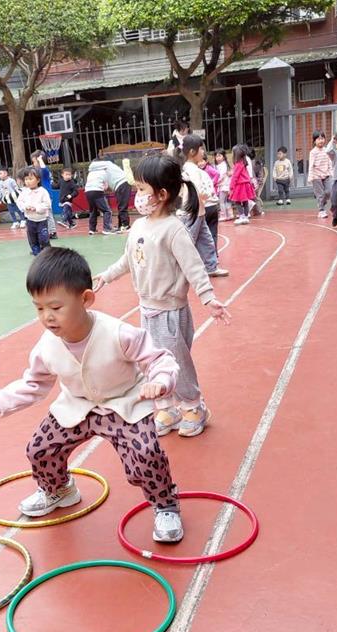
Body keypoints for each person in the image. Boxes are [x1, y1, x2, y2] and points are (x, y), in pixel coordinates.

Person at [0, 247, 187, 542]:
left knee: (146, 455)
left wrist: (161, 380)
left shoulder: (118, 333)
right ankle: (59, 490)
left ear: (86, 299)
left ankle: (165, 504)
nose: (47, 317)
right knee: (40, 449)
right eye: (39, 308)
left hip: (124, 404)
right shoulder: (46, 346)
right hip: (76, 406)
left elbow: (159, 359)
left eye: (55, 307)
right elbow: (32, 385)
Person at [94, 154, 232, 438]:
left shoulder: (173, 229)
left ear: (162, 194)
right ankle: (166, 408)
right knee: (151, 363)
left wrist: (208, 298)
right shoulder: (139, 226)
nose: (137, 195)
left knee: (176, 364)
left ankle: (194, 406)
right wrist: (106, 276)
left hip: (170, 313)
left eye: (142, 189)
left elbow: (194, 266)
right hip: (147, 309)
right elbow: (128, 259)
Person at [181, 135, 228, 277]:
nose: (203, 152)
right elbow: (197, 191)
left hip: (199, 212)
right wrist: (208, 193)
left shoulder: (193, 169)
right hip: (193, 212)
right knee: (188, 241)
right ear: (192, 152)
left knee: (207, 241)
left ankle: (210, 267)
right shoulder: (191, 170)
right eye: (201, 149)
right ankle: (179, 269)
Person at [88, 156, 132, 232]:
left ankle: (125, 225)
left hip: (123, 184)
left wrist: (93, 165)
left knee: (122, 206)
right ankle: (121, 225)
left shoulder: (107, 164)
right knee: (121, 206)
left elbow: (91, 166)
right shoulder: (107, 169)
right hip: (120, 186)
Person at [18, 166, 52, 256]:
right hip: (30, 220)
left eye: (30, 179)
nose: (28, 181)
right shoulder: (24, 192)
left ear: (38, 180)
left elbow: (47, 204)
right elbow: (19, 202)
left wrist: (36, 208)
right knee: (32, 238)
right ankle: (36, 252)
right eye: (26, 179)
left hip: (41, 220)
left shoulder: (43, 191)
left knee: (43, 238)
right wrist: (25, 207)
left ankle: (47, 252)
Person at [30, 151, 59, 239]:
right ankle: (44, 231)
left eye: (35, 161)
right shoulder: (36, 172)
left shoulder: (44, 171)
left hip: (46, 196)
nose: (34, 163)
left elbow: (44, 169)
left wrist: (40, 160)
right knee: (41, 214)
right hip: (38, 196)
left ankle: (52, 232)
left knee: (48, 214)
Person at [84, 163, 115, 235]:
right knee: (107, 211)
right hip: (97, 191)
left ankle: (92, 229)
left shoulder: (91, 173)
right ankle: (107, 229)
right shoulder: (104, 172)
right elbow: (105, 187)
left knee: (93, 210)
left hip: (88, 192)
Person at [307, 131, 332, 218]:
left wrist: (331, 172)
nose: (321, 140)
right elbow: (311, 165)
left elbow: (329, 162)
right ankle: (321, 210)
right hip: (316, 176)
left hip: (326, 175)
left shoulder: (326, 150)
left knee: (329, 192)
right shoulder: (313, 152)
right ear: (314, 141)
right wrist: (310, 176)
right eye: (318, 139)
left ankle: (322, 201)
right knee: (320, 194)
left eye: (322, 138)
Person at [229, 144, 255, 225]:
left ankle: (241, 216)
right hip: (246, 184)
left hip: (240, 185)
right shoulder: (243, 163)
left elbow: (235, 176)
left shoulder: (238, 165)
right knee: (245, 202)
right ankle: (246, 217)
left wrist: (231, 186)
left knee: (237, 201)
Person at [214, 149, 231, 220]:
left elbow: (222, 176)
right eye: (216, 156)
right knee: (225, 201)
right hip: (224, 185)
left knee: (221, 201)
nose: (218, 157)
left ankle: (223, 215)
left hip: (223, 186)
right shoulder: (222, 164)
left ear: (223, 157)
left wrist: (216, 182)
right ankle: (229, 215)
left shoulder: (222, 165)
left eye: (219, 156)